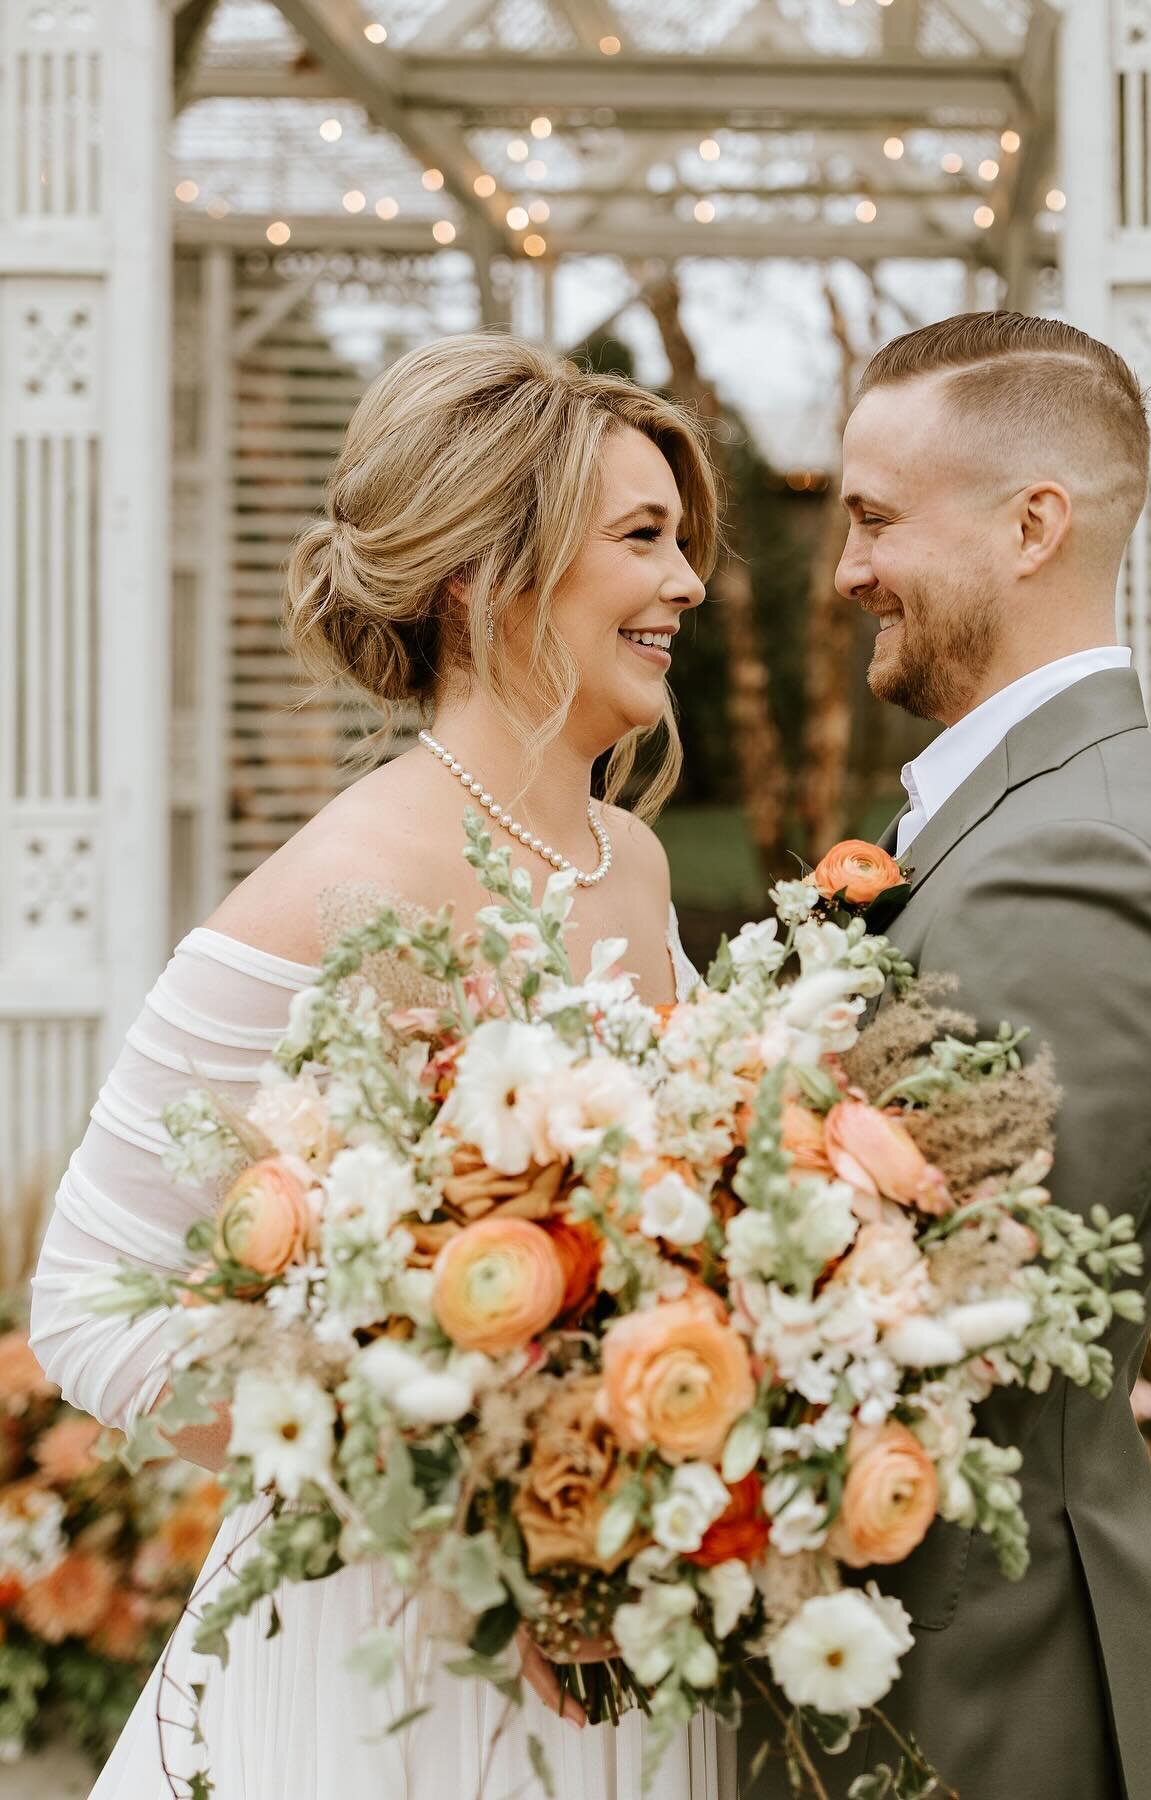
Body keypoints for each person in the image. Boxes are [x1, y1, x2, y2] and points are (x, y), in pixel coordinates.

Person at [29, 334, 728, 1800]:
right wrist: (441, 1496)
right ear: (485, 572)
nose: (690, 584)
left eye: (685, 542)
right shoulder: (334, 885)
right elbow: (87, 1302)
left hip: (628, 1646)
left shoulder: (638, 862)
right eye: (644, 538)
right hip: (390, 1666)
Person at [743, 312, 1151, 1800]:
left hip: (966, 1692)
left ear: (1034, 527)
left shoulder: (1083, 858)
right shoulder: (1026, 815)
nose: (846, 571)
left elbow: (951, 1318)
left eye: (876, 519)